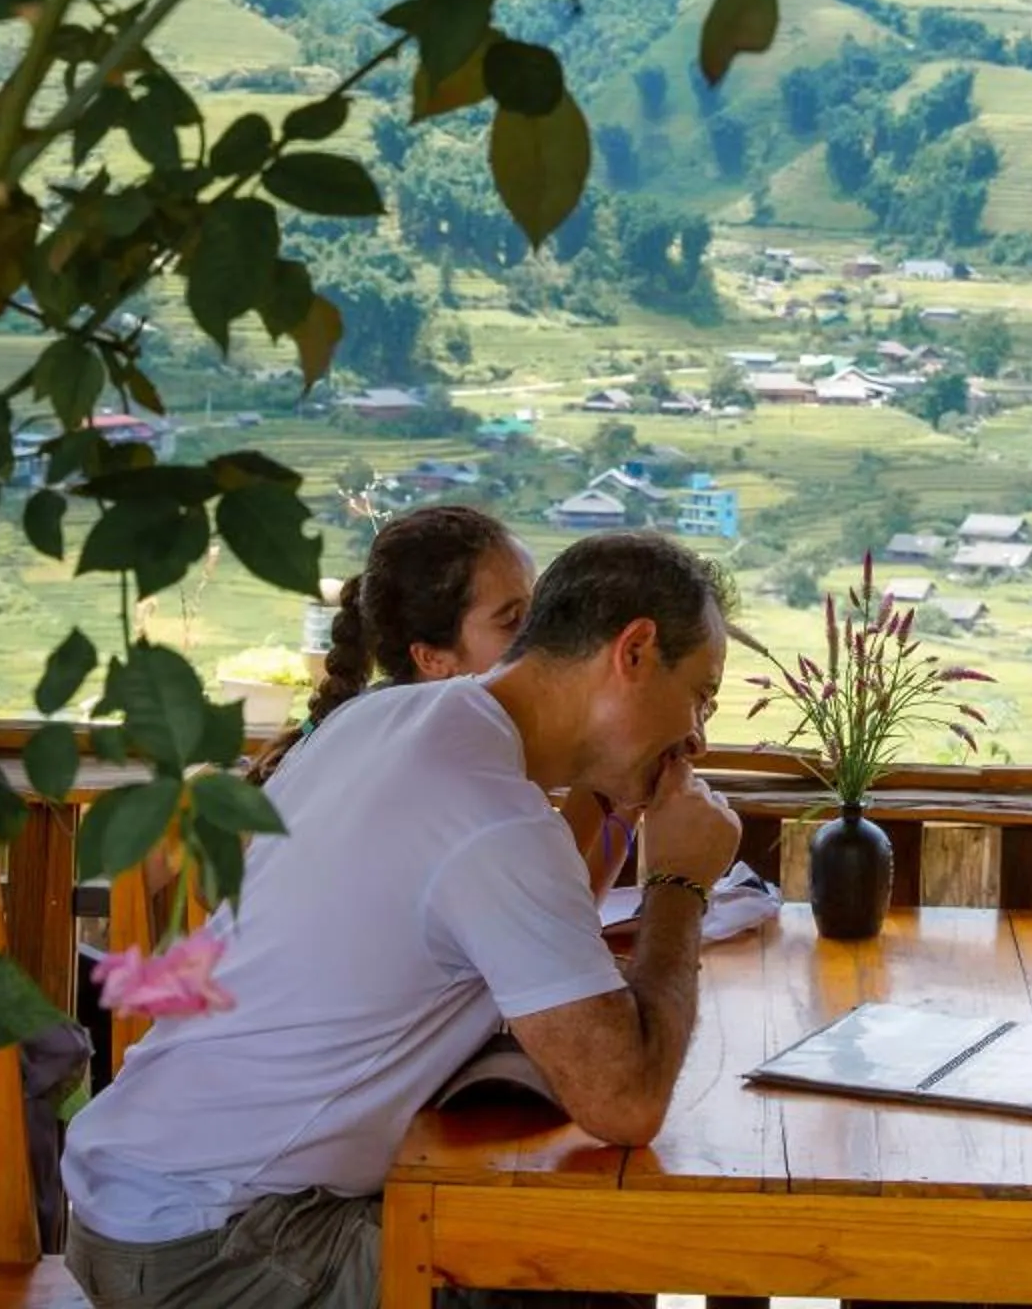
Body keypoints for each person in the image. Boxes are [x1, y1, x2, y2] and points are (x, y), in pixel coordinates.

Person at [60, 531, 743, 1309]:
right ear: (635, 650)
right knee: (584, 1271)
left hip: (148, 1198)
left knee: (562, 1253)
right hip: (211, 1245)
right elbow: (626, 1105)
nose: (698, 737)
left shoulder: (388, 721)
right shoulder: (492, 814)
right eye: (700, 694)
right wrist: (680, 881)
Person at [253, 505, 628, 891]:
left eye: (537, 612)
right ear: (432, 658)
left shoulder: (392, 721)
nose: (544, 639)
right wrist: (673, 872)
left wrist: (621, 784)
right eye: (512, 620)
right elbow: (555, 904)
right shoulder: (442, 762)